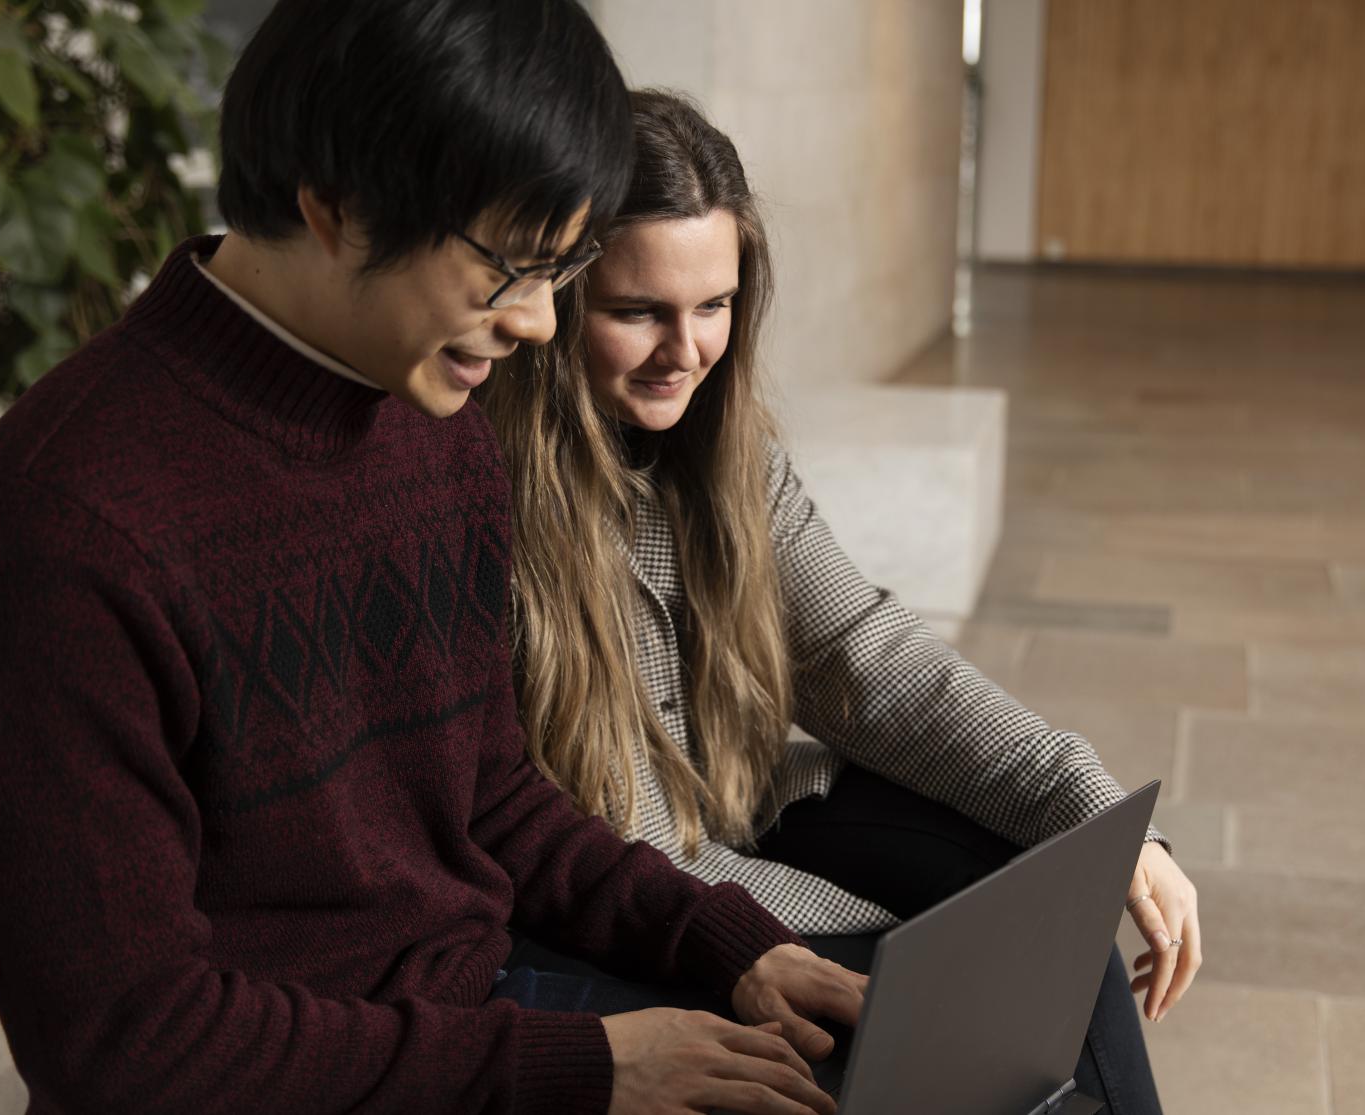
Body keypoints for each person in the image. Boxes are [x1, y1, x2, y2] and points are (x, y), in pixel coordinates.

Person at [0, 5, 863, 1113]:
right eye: (512, 266)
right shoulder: (52, 534)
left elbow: (488, 792)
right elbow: (128, 1044)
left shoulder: (430, 410)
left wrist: (722, 940)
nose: (541, 326)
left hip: (474, 1005)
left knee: (906, 1043)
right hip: (313, 1075)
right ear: (335, 209)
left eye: (561, 269)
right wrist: (587, 1067)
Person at [477, 90, 1205, 1114]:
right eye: (638, 311)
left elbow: (874, 662)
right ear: (555, 303)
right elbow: (597, 834)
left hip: (750, 803)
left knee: (1056, 927)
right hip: (618, 888)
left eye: (715, 305)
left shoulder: (728, 456)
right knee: (926, 1029)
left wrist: (1085, 803)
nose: (685, 349)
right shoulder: (480, 492)